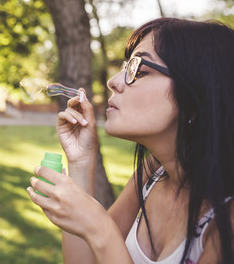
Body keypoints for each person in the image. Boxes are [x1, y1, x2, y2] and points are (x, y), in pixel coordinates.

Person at [27, 17, 234, 264]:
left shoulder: (227, 220)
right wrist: (81, 163)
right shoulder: (151, 174)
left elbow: (102, 237)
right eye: (126, 67)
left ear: (195, 98)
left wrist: (100, 227)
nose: (113, 82)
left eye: (139, 69)